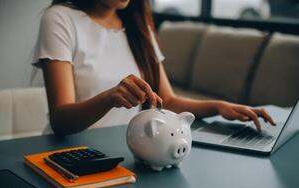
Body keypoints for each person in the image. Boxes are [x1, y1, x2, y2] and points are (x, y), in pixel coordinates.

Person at [32, 0, 275, 135]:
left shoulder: (138, 24)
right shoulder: (60, 18)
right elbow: (61, 120)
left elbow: (166, 100)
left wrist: (220, 107)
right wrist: (110, 98)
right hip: (70, 154)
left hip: (128, 150)